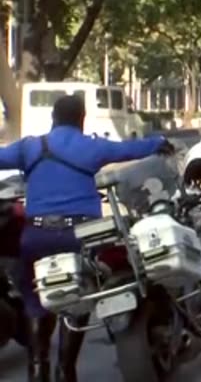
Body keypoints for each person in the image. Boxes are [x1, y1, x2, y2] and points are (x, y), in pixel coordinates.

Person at [0, 95, 173, 382]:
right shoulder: (92, 146)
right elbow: (129, 150)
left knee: (32, 298)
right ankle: (65, 369)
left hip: (37, 236)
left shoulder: (30, 146)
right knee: (81, 296)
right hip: (79, 236)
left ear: (52, 119)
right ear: (82, 119)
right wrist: (159, 142)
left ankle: (37, 366)